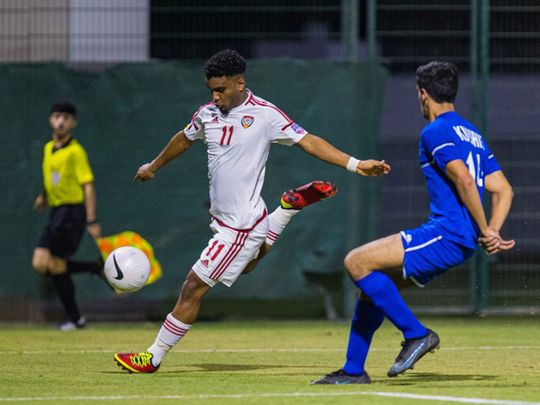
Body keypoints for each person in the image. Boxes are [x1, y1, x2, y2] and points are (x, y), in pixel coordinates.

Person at [114, 49, 391, 373]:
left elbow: (308, 141)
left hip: (241, 225)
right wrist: (153, 166)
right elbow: (184, 139)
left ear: (240, 83)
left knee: (193, 286)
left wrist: (356, 165)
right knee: (243, 268)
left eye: (221, 90)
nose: (215, 97)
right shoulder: (207, 114)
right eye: (211, 91)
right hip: (236, 221)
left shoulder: (265, 114)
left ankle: (152, 357)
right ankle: (286, 210)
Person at [313, 61, 515, 384]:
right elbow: (503, 188)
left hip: (446, 233)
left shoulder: (435, 131)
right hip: (459, 239)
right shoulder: (472, 133)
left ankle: (416, 334)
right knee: (375, 283)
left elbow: (463, 180)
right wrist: (492, 230)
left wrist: (487, 230)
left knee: (356, 262)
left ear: (423, 94)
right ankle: (353, 370)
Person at [32, 101, 104, 331]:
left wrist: (91, 220)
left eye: (65, 117)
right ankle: (95, 268)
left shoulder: (76, 151)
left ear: (73, 123)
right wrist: (44, 195)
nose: (60, 121)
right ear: (51, 120)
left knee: (55, 264)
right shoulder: (48, 148)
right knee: (41, 263)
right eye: (57, 116)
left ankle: (75, 318)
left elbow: (88, 185)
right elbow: (51, 175)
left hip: (72, 212)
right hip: (56, 211)